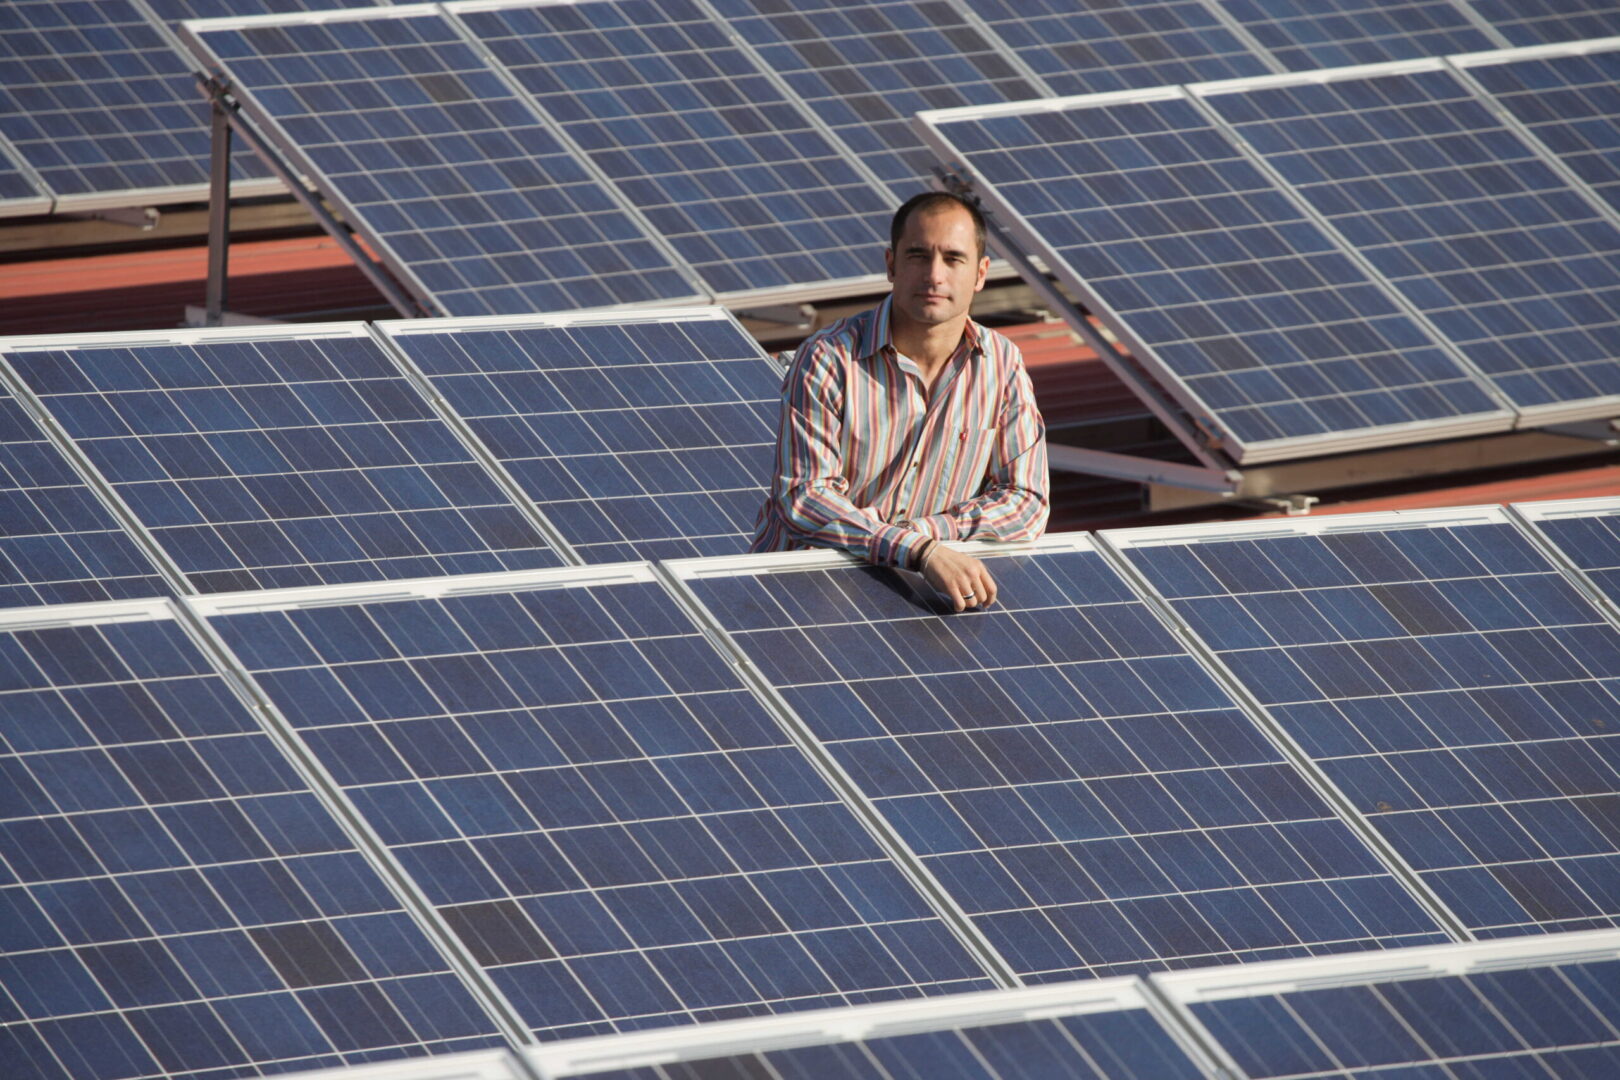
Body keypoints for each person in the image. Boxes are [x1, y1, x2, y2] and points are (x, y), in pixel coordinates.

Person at [749, 191, 1049, 611]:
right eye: (917, 256)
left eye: (953, 259)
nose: (934, 275)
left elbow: (1025, 500)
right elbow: (804, 497)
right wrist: (918, 550)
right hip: (804, 598)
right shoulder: (828, 358)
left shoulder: (1002, 364)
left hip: (916, 598)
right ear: (891, 264)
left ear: (980, 274)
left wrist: (924, 539)